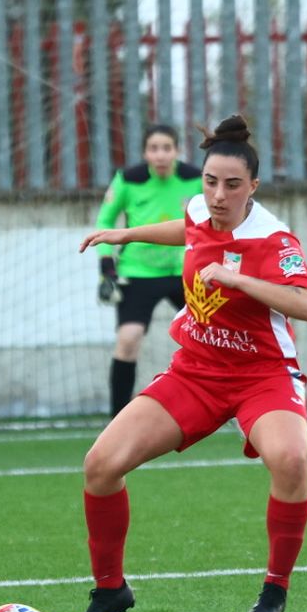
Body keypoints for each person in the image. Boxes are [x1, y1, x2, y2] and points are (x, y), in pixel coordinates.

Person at [70, 115, 307, 612]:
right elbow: (187, 226)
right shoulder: (198, 208)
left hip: (262, 376)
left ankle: (275, 587)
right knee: (100, 465)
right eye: (209, 182)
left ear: (253, 186)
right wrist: (127, 234)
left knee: (291, 462)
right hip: (196, 373)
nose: (217, 195)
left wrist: (238, 278)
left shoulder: (274, 239)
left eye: (231, 185)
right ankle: (109, 590)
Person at [93, 124, 204, 415]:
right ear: (145, 152)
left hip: (186, 272)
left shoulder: (196, 179)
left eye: (167, 148)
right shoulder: (129, 180)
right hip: (138, 271)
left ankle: (229, 406)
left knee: (214, 337)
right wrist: (107, 265)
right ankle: (118, 418)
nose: (161, 155)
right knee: (128, 340)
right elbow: (105, 220)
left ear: (177, 151)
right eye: (154, 149)